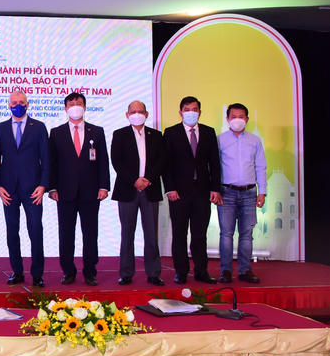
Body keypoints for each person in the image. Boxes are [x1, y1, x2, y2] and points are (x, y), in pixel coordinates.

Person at [48, 92, 110, 286]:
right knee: (66, 234)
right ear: (66, 108)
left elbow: (103, 161)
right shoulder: (56, 132)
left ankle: (90, 272)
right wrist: (52, 187)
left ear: (84, 107)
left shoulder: (97, 131)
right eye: (71, 103)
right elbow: (52, 163)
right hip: (64, 192)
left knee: (90, 234)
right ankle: (68, 271)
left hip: (91, 192)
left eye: (79, 103)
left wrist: (104, 186)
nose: (75, 106)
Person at [0, 90, 50, 287]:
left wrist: (43, 185)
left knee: (36, 230)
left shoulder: (39, 127)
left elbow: (46, 159)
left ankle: (37, 274)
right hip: (8, 189)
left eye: (21, 102)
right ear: (9, 105)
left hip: (33, 189)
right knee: (12, 231)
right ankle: (17, 272)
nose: (18, 105)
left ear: (28, 104)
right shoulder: (0, 128)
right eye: (14, 102)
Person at [162, 96, 222, 285]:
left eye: (194, 109)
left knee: (199, 235)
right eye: (187, 109)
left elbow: (215, 163)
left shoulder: (209, 132)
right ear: (180, 112)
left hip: (202, 192)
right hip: (178, 193)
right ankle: (181, 272)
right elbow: (166, 164)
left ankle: (201, 271)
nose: (191, 112)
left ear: (200, 112)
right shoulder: (171, 133)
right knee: (179, 234)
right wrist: (170, 188)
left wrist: (216, 188)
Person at [110, 100, 166, 286]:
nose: (137, 114)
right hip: (128, 190)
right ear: (127, 115)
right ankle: (126, 273)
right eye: (133, 111)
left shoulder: (156, 135)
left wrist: (147, 179)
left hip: (150, 189)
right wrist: (134, 180)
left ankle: (153, 273)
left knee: (151, 234)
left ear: (146, 114)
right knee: (127, 233)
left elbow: (161, 160)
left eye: (140, 111)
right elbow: (117, 161)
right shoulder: (120, 134)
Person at [217, 103, 267, 284]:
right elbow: (213, 167)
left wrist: (263, 191)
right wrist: (214, 190)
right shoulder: (219, 140)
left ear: (247, 119)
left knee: (246, 235)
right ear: (227, 119)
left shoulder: (255, 141)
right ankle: (226, 271)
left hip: (249, 193)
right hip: (226, 193)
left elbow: (260, 166)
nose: (237, 120)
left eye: (241, 117)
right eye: (233, 116)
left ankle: (245, 270)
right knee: (226, 234)